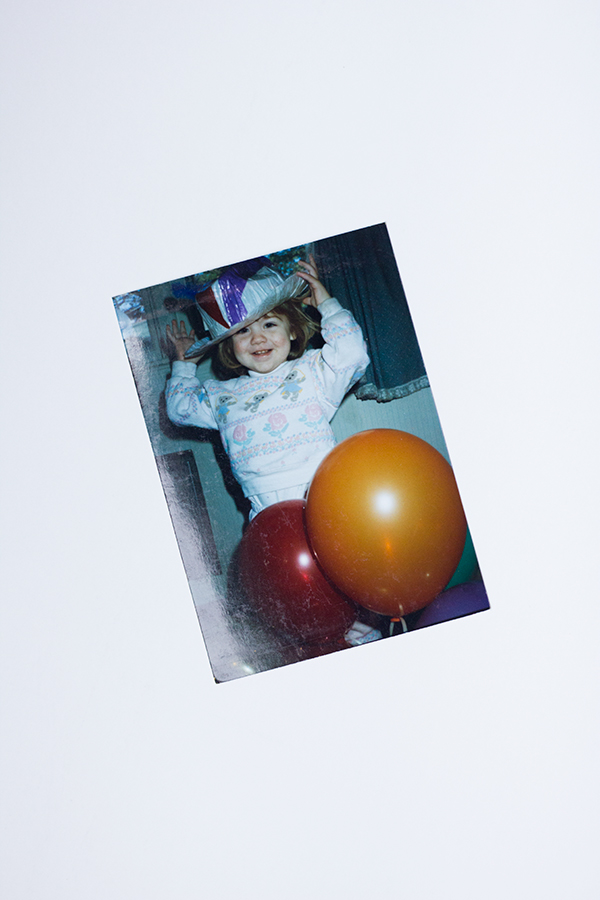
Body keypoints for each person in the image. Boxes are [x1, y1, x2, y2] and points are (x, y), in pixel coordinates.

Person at [165, 256, 380, 645]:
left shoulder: (313, 373)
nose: (257, 338)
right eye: (242, 332)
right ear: (229, 347)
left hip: (324, 500)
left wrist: (327, 304)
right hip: (265, 515)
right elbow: (179, 409)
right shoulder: (221, 395)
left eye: (269, 324)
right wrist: (184, 365)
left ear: (293, 332)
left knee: (348, 579)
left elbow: (351, 355)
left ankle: (365, 632)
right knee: (295, 598)